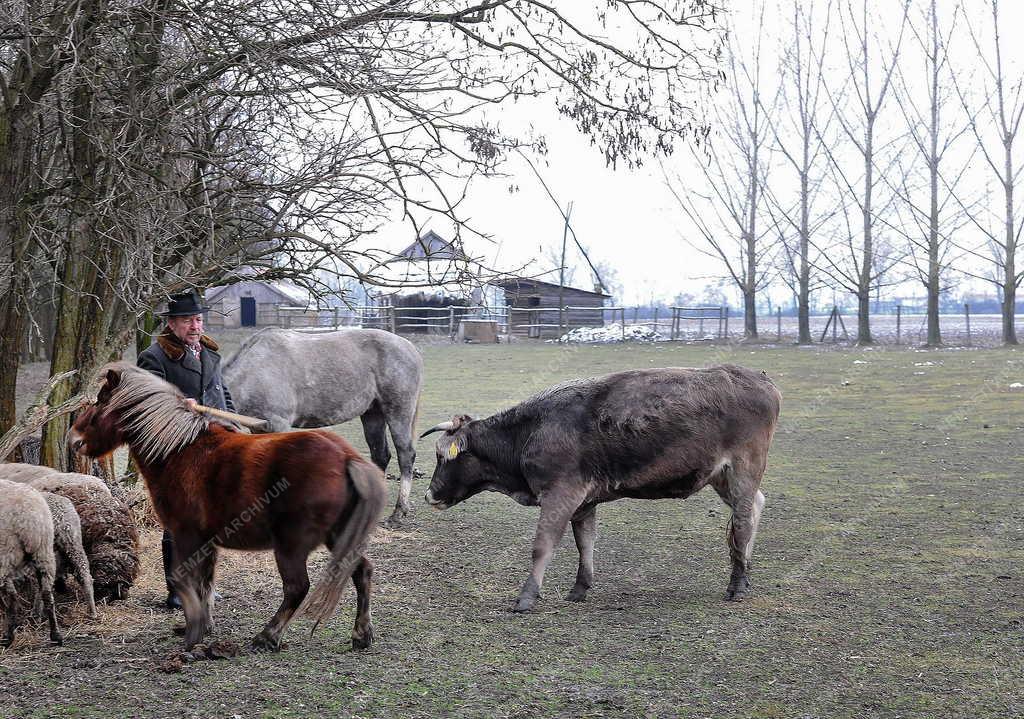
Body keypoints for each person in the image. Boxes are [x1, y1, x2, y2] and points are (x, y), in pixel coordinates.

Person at [137, 289, 234, 610]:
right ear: (172, 324)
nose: (195, 326)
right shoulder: (155, 356)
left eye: (198, 319)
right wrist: (178, 403)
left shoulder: (208, 352)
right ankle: (178, 589)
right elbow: (148, 402)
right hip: (178, 452)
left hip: (214, 447)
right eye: (188, 321)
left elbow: (223, 396)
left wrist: (233, 428)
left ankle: (204, 585)